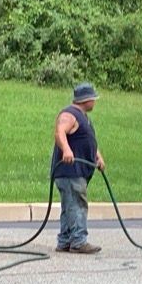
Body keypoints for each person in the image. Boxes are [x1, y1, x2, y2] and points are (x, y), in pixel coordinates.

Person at [52, 82, 106, 254]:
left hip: (77, 171)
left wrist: (97, 156)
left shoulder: (82, 117)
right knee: (77, 204)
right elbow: (60, 132)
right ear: (86, 100)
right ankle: (78, 241)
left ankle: (65, 240)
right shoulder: (70, 114)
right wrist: (66, 150)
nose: (95, 102)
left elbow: (85, 139)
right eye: (93, 99)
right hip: (69, 171)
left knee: (70, 204)